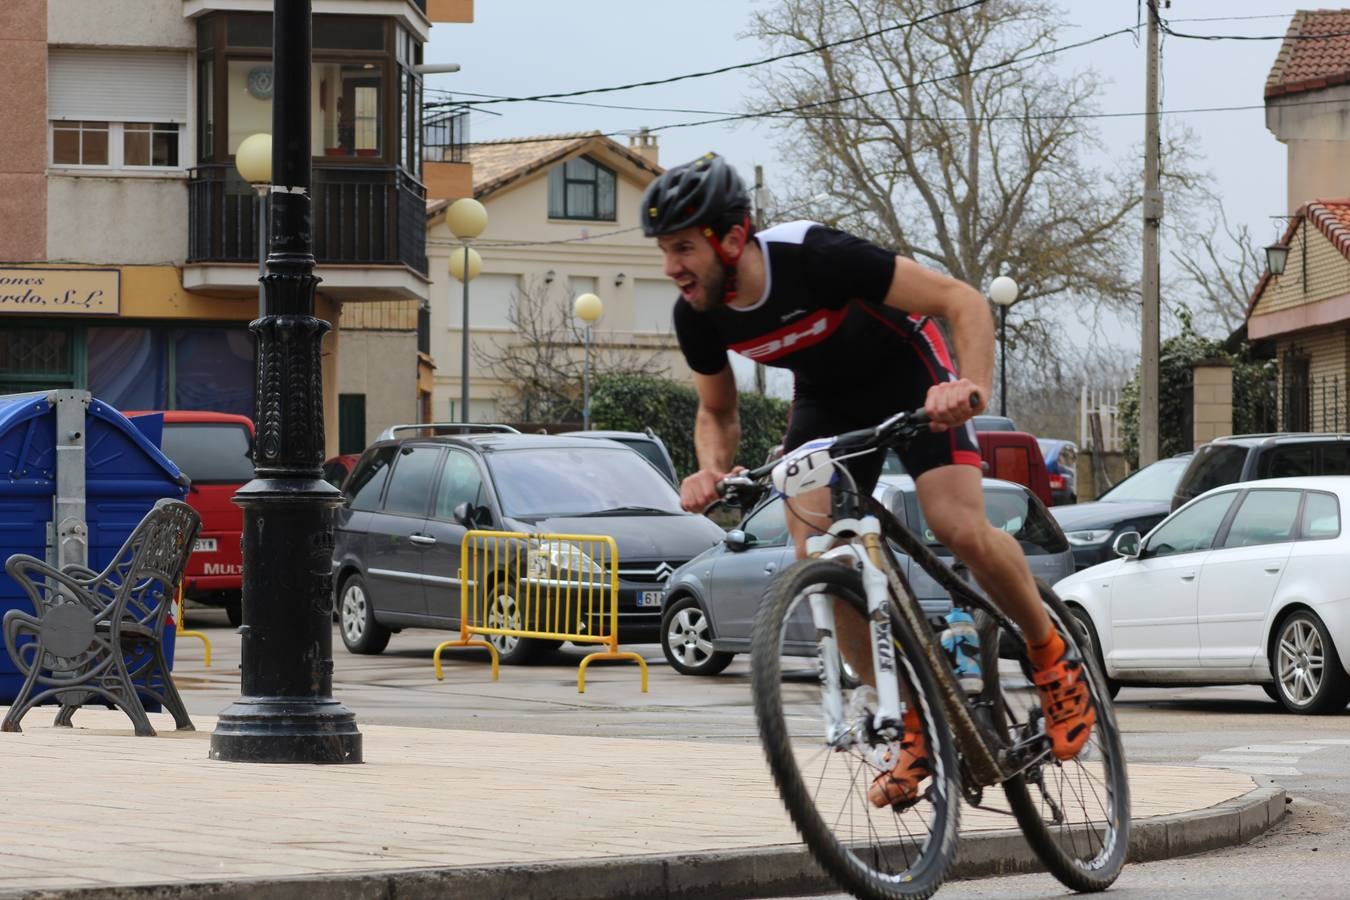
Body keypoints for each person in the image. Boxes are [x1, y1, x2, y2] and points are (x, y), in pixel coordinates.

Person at [642, 153, 1095, 808]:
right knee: (820, 556)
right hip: (826, 404)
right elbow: (717, 410)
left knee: (956, 525)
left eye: (682, 248)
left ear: (732, 237)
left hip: (907, 373)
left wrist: (967, 388)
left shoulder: (815, 256)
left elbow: (959, 301)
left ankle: (1051, 654)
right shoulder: (698, 315)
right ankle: (907, 721)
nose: (671, 268)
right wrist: (712, 468)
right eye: (663, 251)